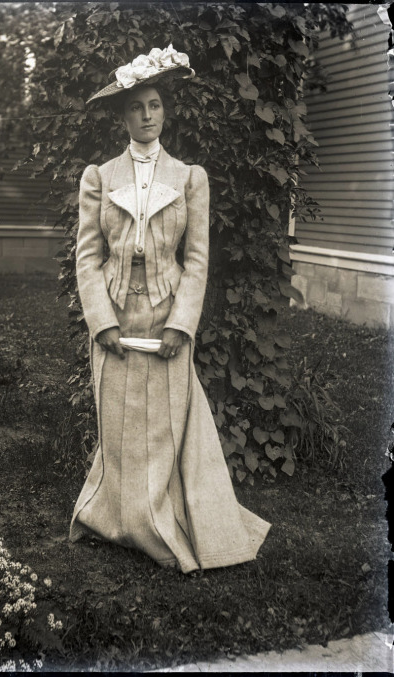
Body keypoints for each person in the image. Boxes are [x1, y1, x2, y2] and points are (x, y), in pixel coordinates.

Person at [69, 45, 271, 573]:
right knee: (116, 423)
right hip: (116, 315)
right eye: (137, 107)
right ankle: (116, 521)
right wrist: (102, 323)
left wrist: (182, 324)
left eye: (155, 105)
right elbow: (87, 259)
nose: (147, 115)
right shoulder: (99, 177)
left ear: (166, 111)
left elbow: (198, 259)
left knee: (162, 426)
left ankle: (159, 522)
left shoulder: (188, 178)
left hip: (165, 315)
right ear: (123, 115)